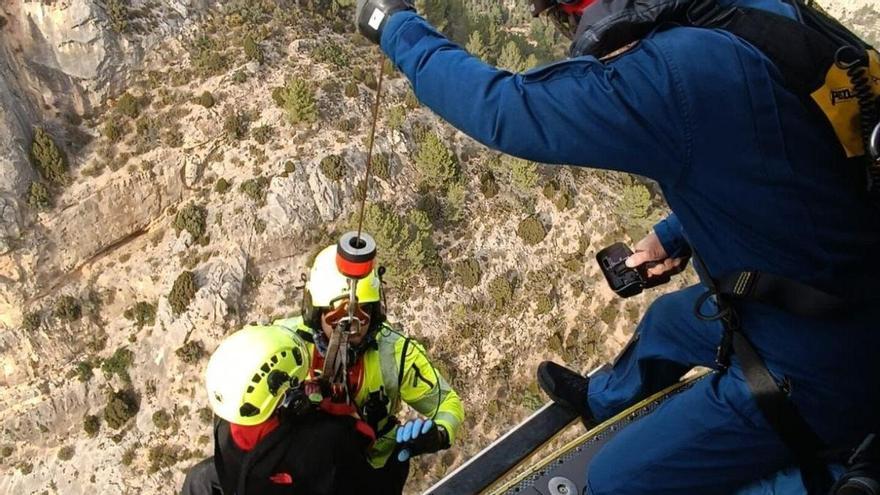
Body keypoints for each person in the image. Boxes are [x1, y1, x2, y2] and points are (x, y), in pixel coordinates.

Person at [351, 0, 880, 493]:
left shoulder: (677, 71)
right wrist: (672, 236)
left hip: (816, 369)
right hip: (831, 291)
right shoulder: (746, 18)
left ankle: (827, 468)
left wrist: (393, 23)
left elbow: (507, 112)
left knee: (613, 480)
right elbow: (787, 163)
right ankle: (601, 404)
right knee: (668, 322)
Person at [272, 244, 464, 494]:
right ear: (314, 311)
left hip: (373, 473)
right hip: (304, 472)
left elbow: (447, 403)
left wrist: (437, 435)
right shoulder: (283, 344)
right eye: (336, 315)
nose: (351, 326)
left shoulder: (395, 354)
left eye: (362, 313)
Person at [180, 324, 374, 495]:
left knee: (200, 477)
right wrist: (326, 407)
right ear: (287, 400)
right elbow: (363, 438)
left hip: (243, 483)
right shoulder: (322, 441)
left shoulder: (225, 424)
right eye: (297, 384)